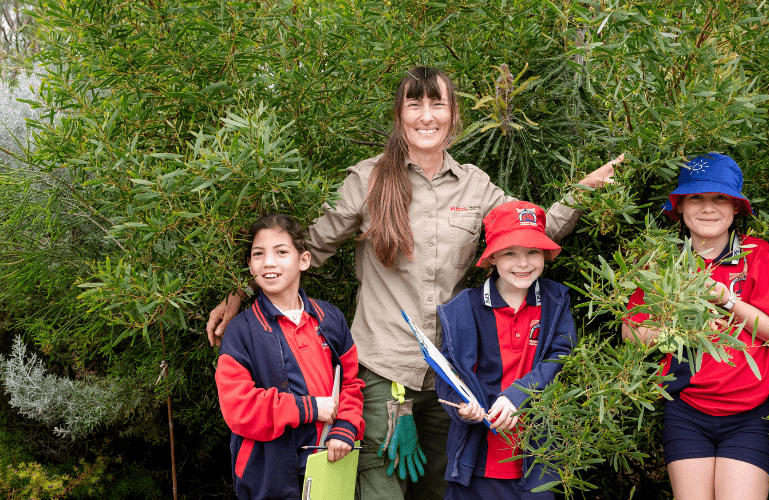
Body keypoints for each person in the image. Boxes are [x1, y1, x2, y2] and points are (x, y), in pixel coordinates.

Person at [206, 67, 617, 500]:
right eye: (414, 104)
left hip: (452, 376)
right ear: (399, 115)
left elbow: (529, 232)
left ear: (453, 115)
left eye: (437, 104)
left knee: (442, 490)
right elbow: (309, 245)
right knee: (380, 491)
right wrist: (239, 292)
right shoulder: (368, 180)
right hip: (382, 370)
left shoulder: (475, 186)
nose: (426, 116)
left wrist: (584, 192)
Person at [621, 153, 769, 500]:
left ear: (735, 208)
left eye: (720, 198)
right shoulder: (663, 260)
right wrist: (683, 330)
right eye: (696, 198)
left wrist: (727, 301)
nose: (708, 208)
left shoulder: (757, 255)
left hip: (749, 412)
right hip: (686, 408)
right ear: (681, 207)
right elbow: (631, 335)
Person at [215, 214, 365, 500]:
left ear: (304, 260)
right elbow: (239, 408)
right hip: (269, 475)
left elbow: (351, 383)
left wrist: (345, 428)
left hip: (329, 464)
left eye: (281, 252)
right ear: (250, 266)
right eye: (258, 254)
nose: (269, 262)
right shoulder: (241, 331)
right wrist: (307, 408)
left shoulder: (329, 318)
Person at [436, 201, 576, 500]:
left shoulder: (556, 300)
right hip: (479, 460)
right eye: (510, 252)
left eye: (533, 252)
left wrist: (517, 396)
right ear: (493, 257)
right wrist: (463, 408)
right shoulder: (464, 308)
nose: (523, 263)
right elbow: (446, 373)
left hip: (539, 457)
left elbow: (562, 357)